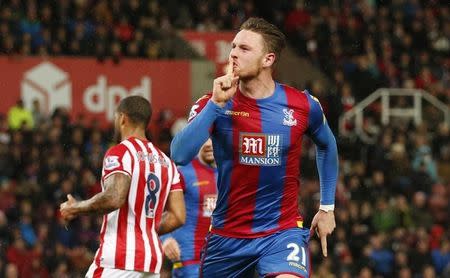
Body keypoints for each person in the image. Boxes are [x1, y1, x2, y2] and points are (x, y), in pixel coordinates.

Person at [171, 17, 338, 277]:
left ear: (268, 59)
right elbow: (179, 155)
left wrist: (327, 207)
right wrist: (215, 105)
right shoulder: (212, 102)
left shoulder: (302, 105)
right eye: (234, 46)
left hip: (281, 233)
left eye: (244, 49)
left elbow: (327, 145)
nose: (234, 53)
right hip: (227, 237)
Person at [60, 96, 186, 278]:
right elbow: (178, 216)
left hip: (119, 259)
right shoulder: (166, 162)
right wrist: (144, 229)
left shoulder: (120, 152)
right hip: (150, 262)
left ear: (122, 118)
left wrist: (76, 208)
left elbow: (114, 197)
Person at [162, 139, 217, 277]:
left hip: (221, 261)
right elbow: (160, 209)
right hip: (188, 262)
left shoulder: (230, 174)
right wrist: (165, 238)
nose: (209, 143)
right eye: (204, 138)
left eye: (213, 137)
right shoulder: (183, 173)